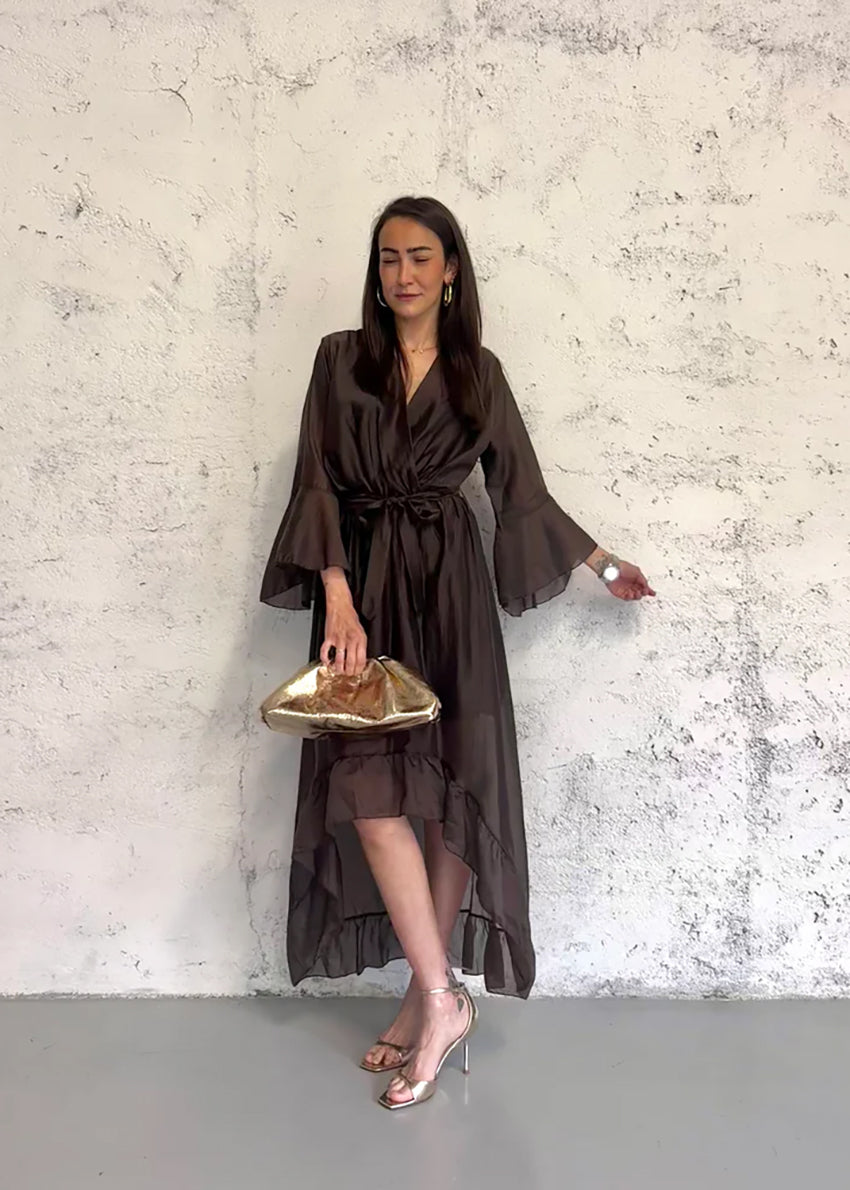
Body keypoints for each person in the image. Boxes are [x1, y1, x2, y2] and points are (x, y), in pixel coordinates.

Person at [259, 195, 655, 1110]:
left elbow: (523, 491)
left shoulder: (479, 373)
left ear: (450, 271)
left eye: (421, 257)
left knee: (450, 795)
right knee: (369, 792)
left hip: (452, 599)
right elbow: (315, 476)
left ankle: (422, 999)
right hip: (367, 591)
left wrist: (604, 564)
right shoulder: (338, 360)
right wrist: (339, 597)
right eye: (389, 257)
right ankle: (443, 998)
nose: (403, 273)